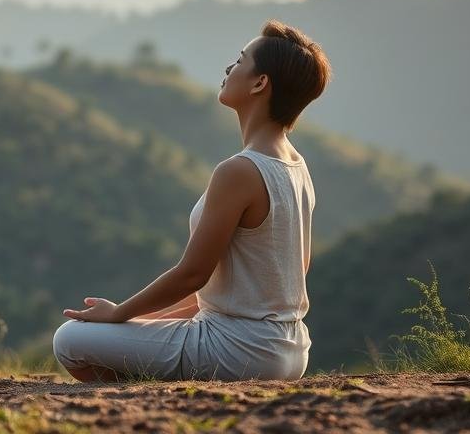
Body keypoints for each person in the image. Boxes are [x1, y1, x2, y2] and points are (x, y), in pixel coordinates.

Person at [52, 19, 331, 382]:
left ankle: (142, 403)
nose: (229, 68)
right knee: (105, 334)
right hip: (290, 350)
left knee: (70, 340)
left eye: (241, 60)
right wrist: (139, 321)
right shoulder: (295, 165)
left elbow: (192, 274)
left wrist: (120, 314)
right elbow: (286, 274)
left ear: (260, 83)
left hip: (238, 350)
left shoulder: (240, 170)